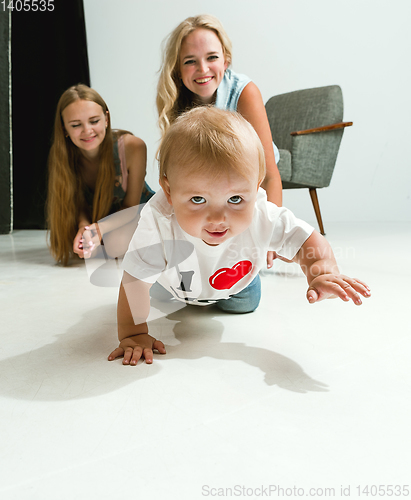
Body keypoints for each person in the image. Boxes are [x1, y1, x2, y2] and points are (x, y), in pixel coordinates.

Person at [107, 107, 371, 366]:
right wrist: (134, 333)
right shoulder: (157, 221)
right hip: (175, 279)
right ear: (168, 191)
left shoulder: (261, 213)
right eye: (198, 199)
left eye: (235, 199)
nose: (218, 217)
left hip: (235, 279)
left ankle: (225, 293)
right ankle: (177, 294)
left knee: (245, 304)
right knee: (156, 290)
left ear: (256, 189)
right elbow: (135, 280)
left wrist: (320, 270)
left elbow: (306, 240)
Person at [156, 14, 283, 217]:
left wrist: (272, 234)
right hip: (206, 185)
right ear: (178, 69)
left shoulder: (245, 92)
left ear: (226, 60)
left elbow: (269, 177)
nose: (203, 69)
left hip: (246, 182)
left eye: (212, 57)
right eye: (190, 61)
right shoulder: (174, 98)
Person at [46, 84, 154, 266]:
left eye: (94, 121)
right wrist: (84, 228)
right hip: (97, 222)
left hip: (134, 214)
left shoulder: (133, 147)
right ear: (64, 128)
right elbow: (77, 203)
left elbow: (131, 207)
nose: (87, 130)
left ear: (106, 119)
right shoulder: (63, 156)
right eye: (75, 125)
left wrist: (98, 230)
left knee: (114, 244)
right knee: (91, 246)